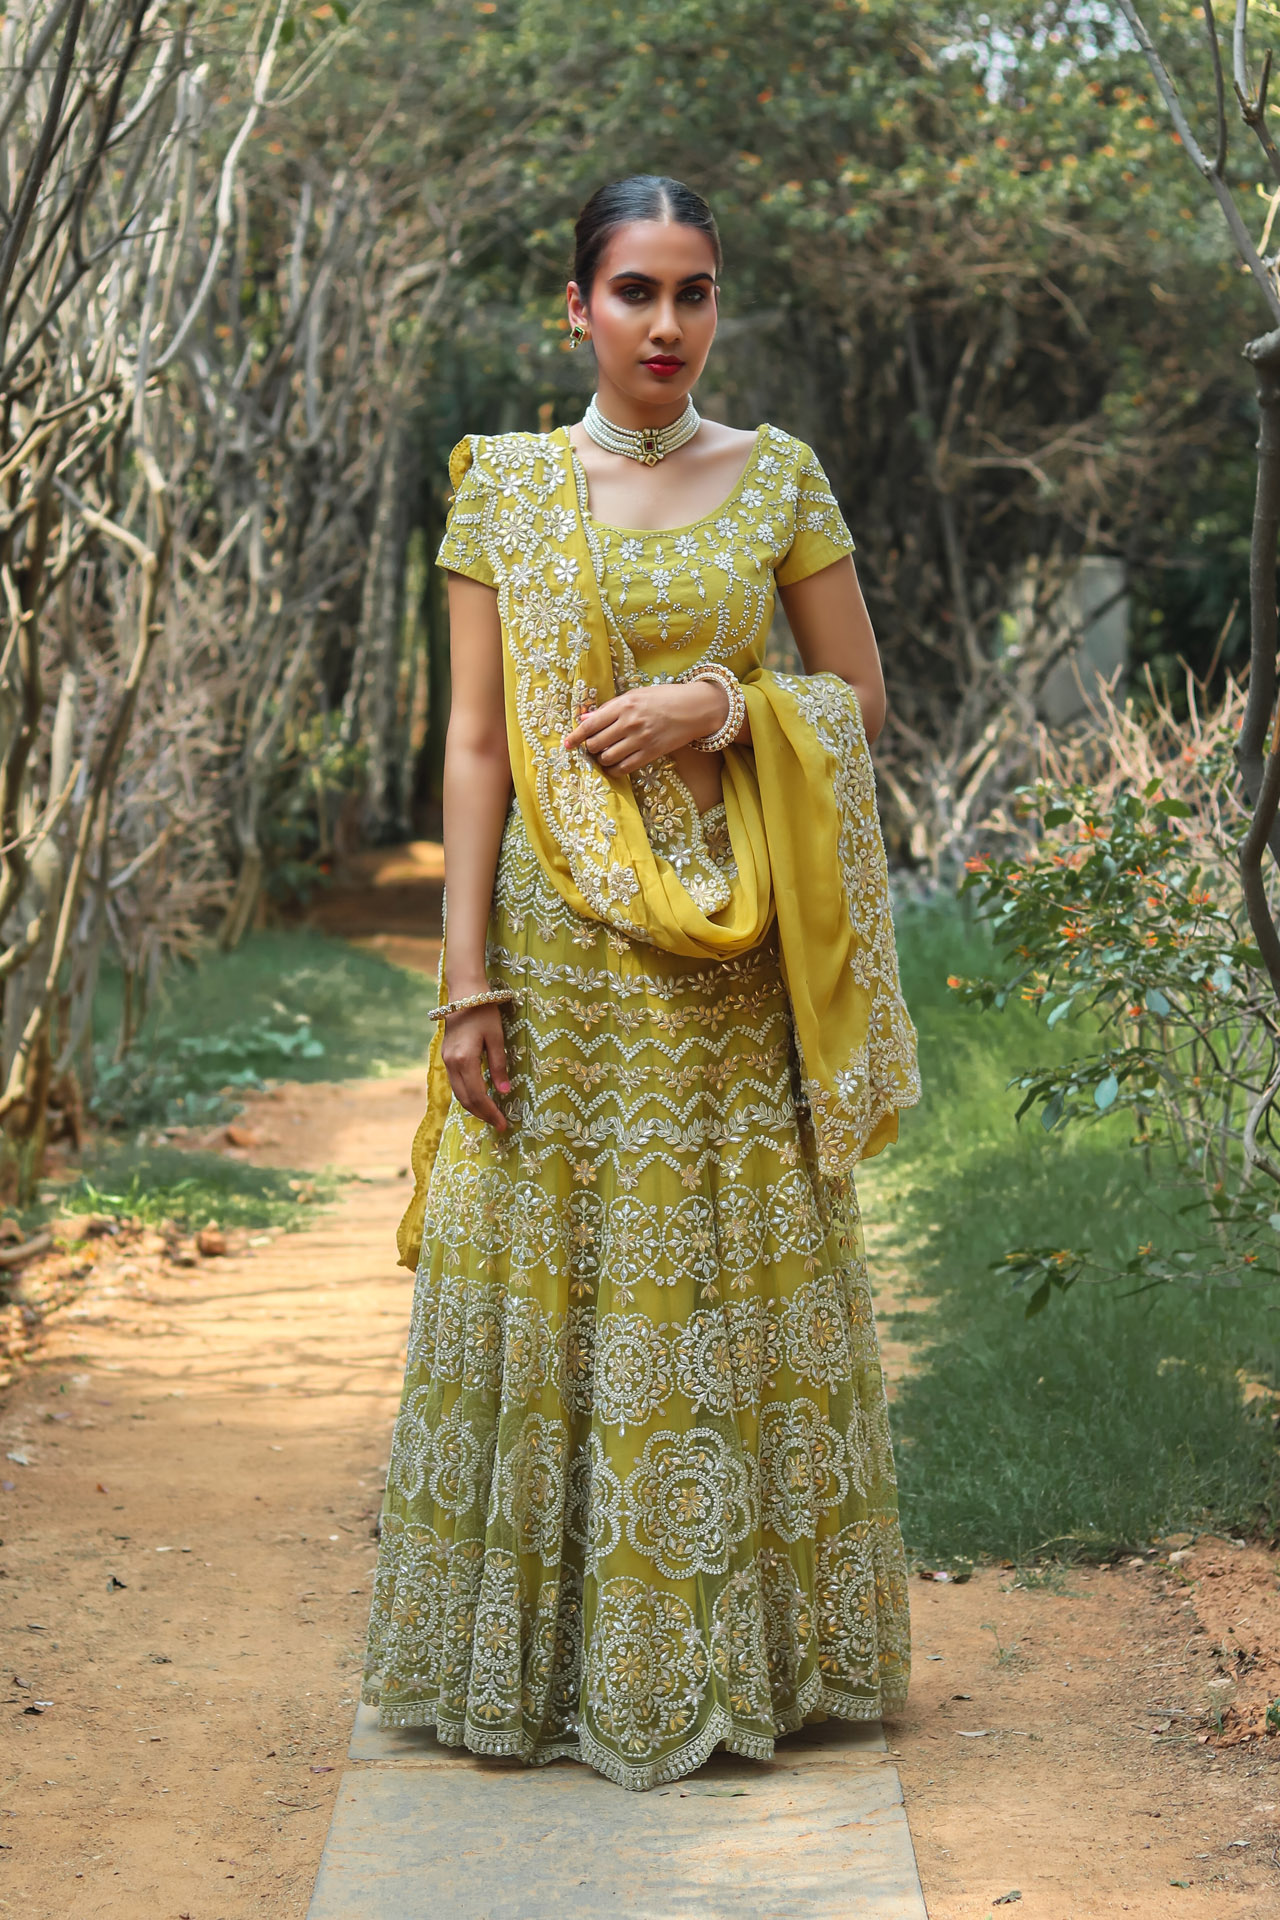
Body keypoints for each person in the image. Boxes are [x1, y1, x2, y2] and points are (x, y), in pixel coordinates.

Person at [361, 173, 921, 1792]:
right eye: (635, 293)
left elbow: (857, 698)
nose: (666, 325)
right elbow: (475, 747)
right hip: (554, 946)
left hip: (730, 956)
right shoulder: (511, 491)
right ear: (578, 309)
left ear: (716, 308)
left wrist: (723, 711)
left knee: (722, 1285)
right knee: (550, 1282)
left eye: (694, 293)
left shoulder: (780, 478)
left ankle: (741, 1656)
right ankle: (533, 1670)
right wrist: (466, 985)